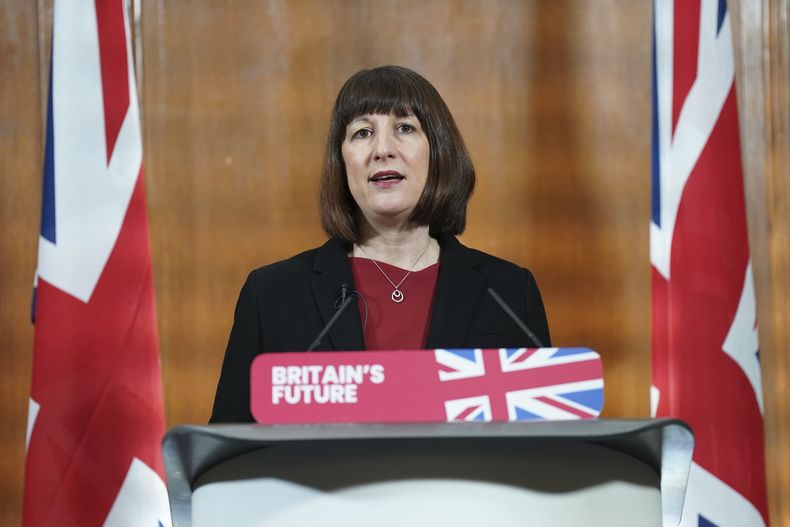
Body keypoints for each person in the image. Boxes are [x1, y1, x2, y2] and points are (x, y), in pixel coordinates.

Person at [210, 66, 550, 423]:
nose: (382, 149)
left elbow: (545, 455)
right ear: (341, 162)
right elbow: (227, 459)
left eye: (405, 128)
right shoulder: (273, 295)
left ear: (438, 152)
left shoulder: (509, 292)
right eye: (362, 133)